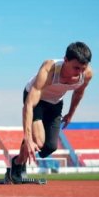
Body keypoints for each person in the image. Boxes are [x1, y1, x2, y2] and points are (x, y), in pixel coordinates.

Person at [10, 42, 93, 183]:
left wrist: (70, 114)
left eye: (82, 68)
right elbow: (29, 105)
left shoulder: (86, 75)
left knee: (50, 147)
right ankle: (17, 163)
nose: (79, 72)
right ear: (65, 60)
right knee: (38, 141)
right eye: (76, 68)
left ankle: (24, 151)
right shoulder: (49, 69)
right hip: (37, 100)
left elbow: (78, 93)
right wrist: (28, 137)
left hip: (55, 103)